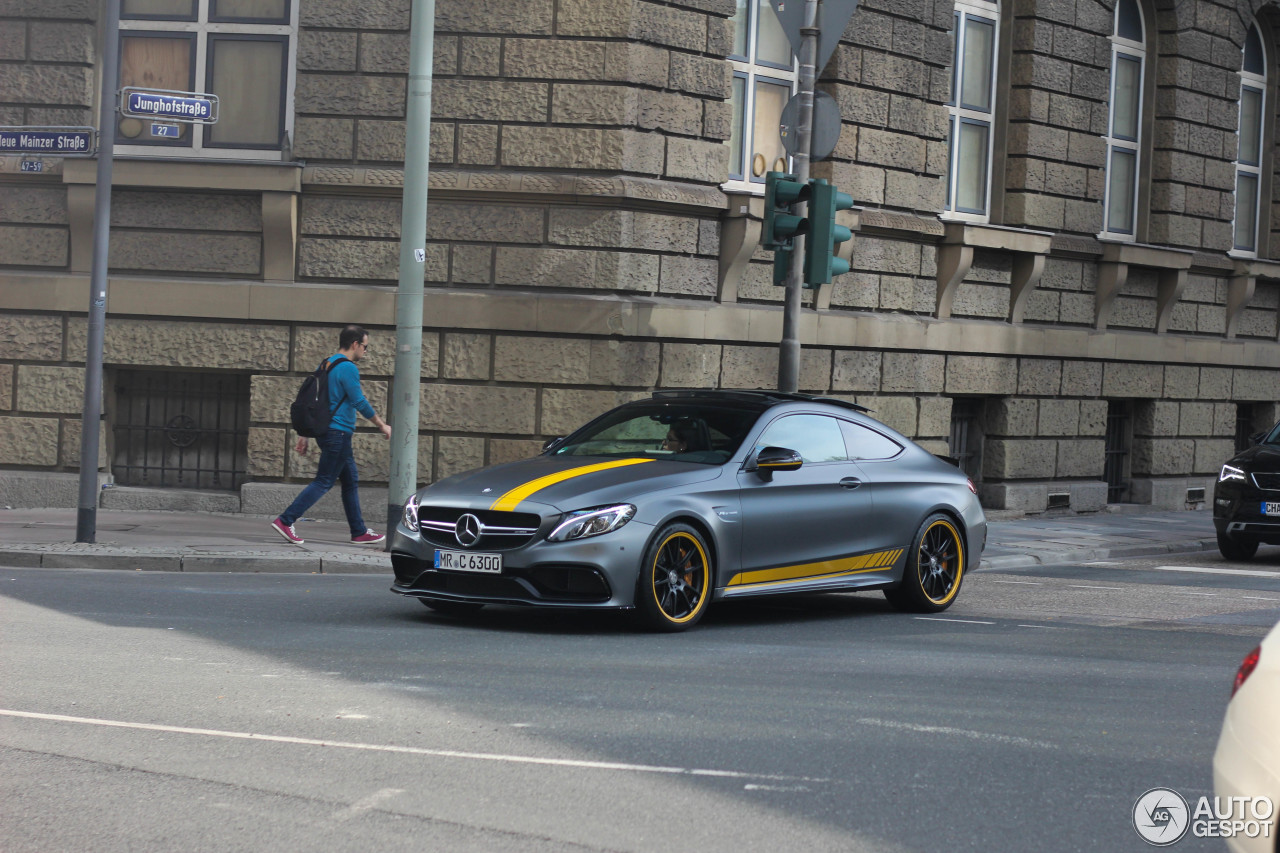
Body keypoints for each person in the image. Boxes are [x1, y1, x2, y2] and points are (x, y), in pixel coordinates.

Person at [271, 325, 391, 546]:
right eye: (365, 346)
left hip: (328, 431)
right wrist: (382, 425)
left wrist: (304, 434)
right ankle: (285, 520)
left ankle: (359, 531)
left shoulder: (326, 363)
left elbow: (312, 402)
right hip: (338, 433)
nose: (366, 351)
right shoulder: (348, 368)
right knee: (324, 481)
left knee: (350, 480)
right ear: (355, 344)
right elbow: (358, 401)